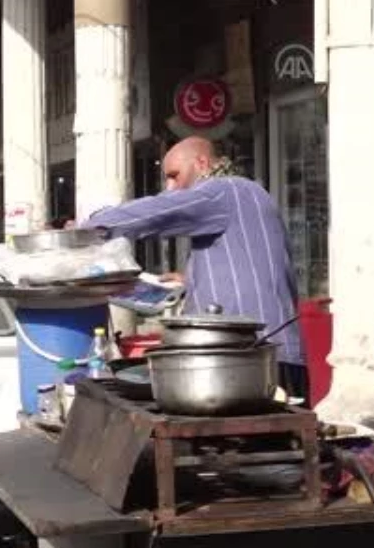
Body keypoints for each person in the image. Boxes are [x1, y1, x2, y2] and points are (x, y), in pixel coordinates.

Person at [76, 136, 307, 401]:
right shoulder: (247, 194)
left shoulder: (223, 189)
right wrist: (189, 281)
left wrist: (90, 227)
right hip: (263, 355)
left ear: (201, 163)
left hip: (254, 357)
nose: (170, 187)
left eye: (174, 176)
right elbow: (250, 267)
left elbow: (160, 210)